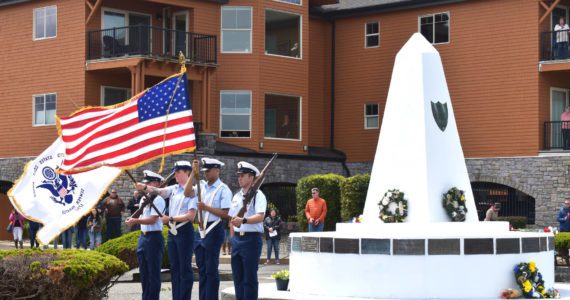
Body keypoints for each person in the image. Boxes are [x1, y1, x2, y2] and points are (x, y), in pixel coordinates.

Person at [136, 161, 197, 300]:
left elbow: (191, 216)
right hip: (172, 231)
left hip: (184, 230)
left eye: (178, 171)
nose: (175, 174)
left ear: (187, 173)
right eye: (175, 171)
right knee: (174, 268)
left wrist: (171, 218)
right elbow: (160, 191)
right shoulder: (175, 188)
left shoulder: (193, 191)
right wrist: (145, 187)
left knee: (184, 269)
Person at [184, 158, 232, 300]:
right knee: (202, 270)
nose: (205, 174)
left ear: (217, 170)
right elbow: (187, 193)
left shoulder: (223, 189)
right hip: (200, 230)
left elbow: (226, 213)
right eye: (204, 171)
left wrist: (206, 207)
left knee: (211, 270)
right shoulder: (202, 185)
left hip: (213, 228)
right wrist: (193, 173)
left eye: (208, 171)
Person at [228, 161, 267, 300]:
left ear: (251, 177)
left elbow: (260, 216)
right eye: (238, 175)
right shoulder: (237, 196)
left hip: (251, 239)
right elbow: (232, 219)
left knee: (249, 278)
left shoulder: (258, 195)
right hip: (237, 240)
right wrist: (232, 239)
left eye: (242, 175)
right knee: (237, 277)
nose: (239, 178)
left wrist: (244, 220)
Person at [126, 170, 166, 300]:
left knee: (153, 274)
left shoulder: (159, 200)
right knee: (144, 274)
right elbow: (141, 214)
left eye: (148, 183)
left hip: (154, 238)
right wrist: (133, 218)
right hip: (143, 238)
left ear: (156, 183)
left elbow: (153, 219)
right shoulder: (144, 198)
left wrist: (135, 221)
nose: (146, 185)